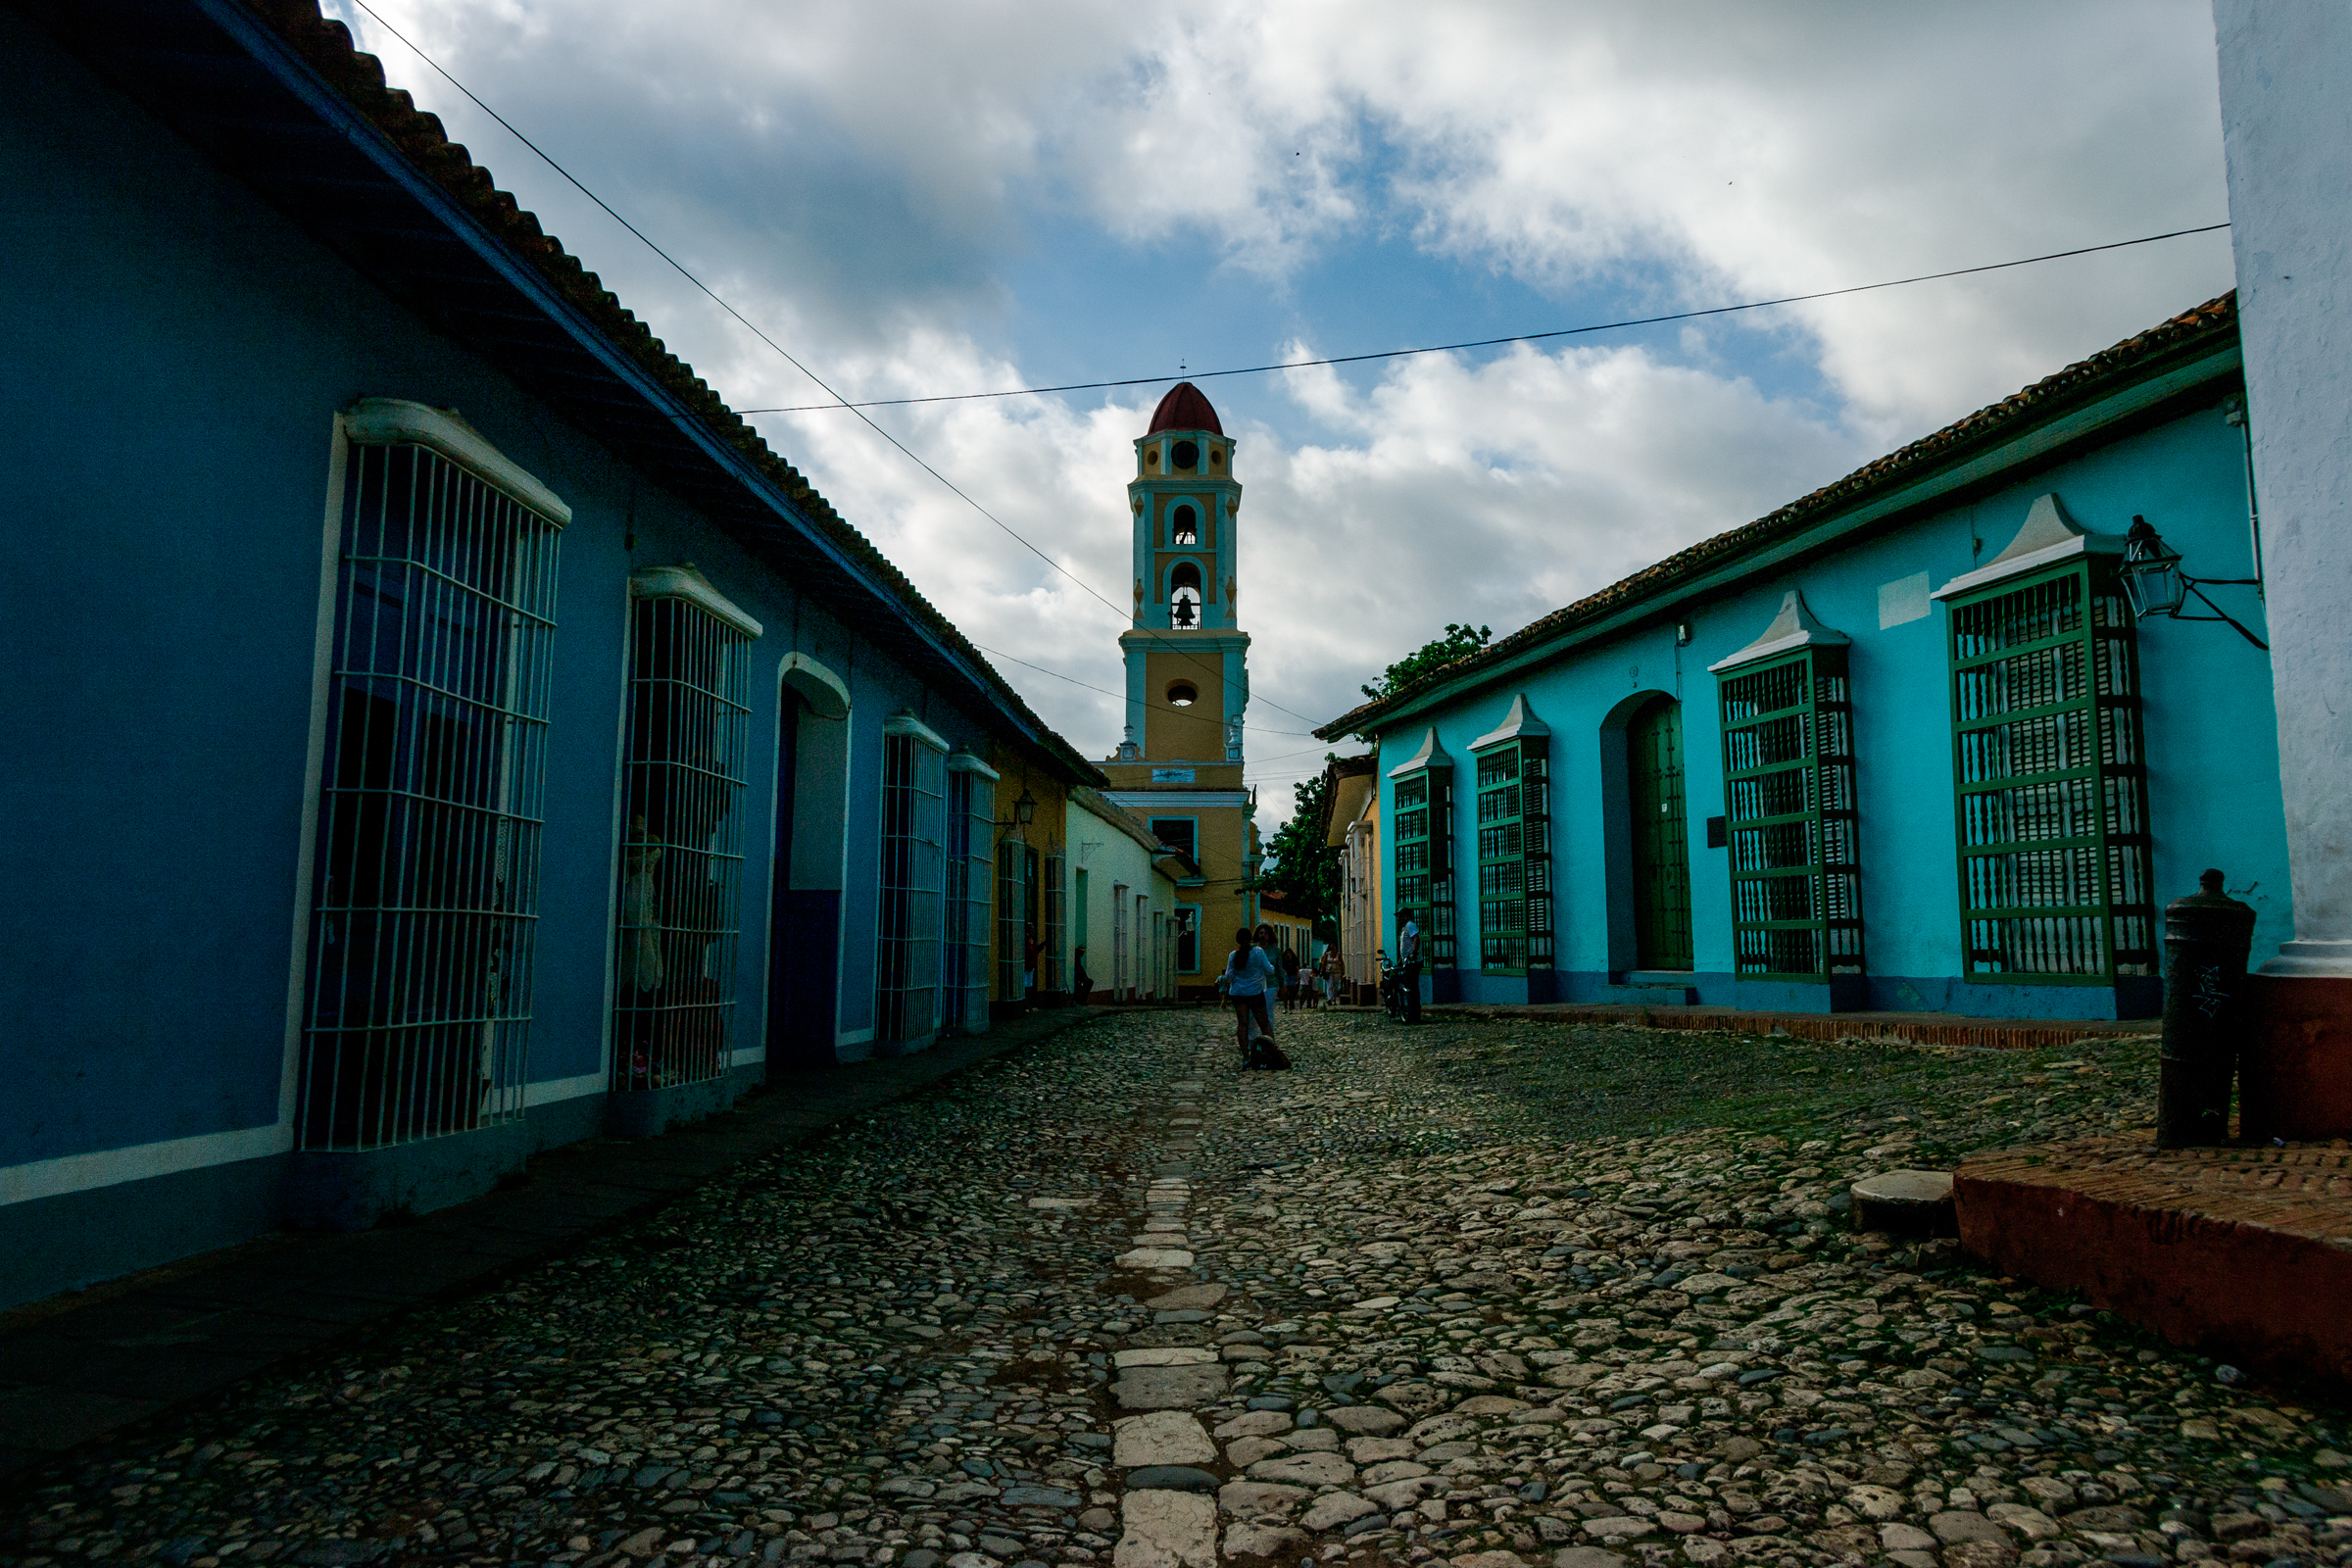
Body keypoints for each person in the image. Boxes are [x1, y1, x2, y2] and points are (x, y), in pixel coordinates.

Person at [1224, 925, 1281, 1067]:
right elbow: (1269, 969)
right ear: (1251, 939)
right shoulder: (1257, 952)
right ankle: (1271, 1053)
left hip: (1238, 994)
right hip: (1255, 992)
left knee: (1242, 1025)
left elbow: (1229, 975)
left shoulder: (1233, 955)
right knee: (1265, 1024)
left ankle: (1245, 1057)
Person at [1393, 909, 1423, 1024]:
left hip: (1413, 963)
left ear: (1404, 917)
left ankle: (1414, 1014)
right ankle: (1412, 1013)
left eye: (1399, 917)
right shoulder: (1405, 927)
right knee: (1410, 987)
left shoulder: (1410, 925)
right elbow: (1405, 948)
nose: (1398, 919)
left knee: (1412, 988)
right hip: (1407, 962)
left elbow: (1416, 938)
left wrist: (1414, 953)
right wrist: (1400, 962)